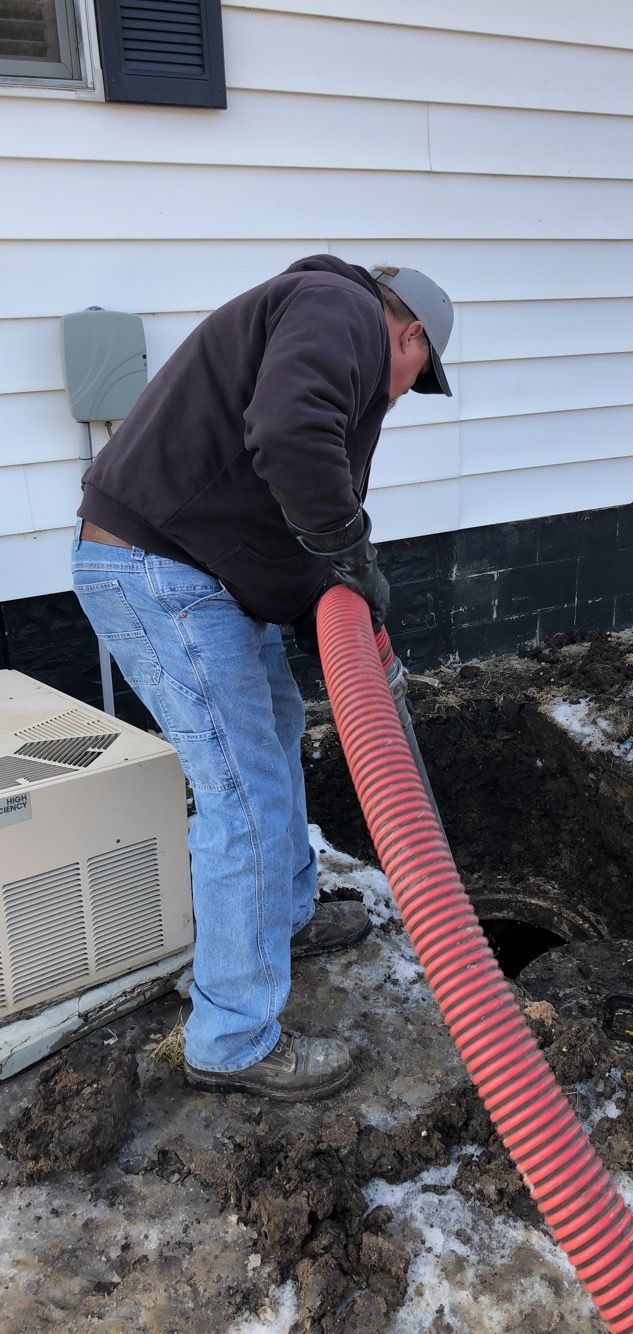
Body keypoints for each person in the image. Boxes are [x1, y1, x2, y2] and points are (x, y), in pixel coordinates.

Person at [71, 255, 454, 1100]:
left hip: (199, 578)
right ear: (411, 335)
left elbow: (269, 491)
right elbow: (289, 435)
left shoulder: (320, 312)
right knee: (242, 797)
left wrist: (327, 594)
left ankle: (279, 920)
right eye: (414, 380)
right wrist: (347, 548)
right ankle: (231, 1039)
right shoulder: (341, 306)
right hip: (161, 575)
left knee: (276, 738)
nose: (397, 398)